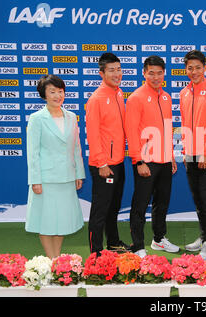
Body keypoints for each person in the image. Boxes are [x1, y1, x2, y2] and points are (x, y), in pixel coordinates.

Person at [26, 74, 85, 259]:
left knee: (62, 223)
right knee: (47, 221)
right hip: (46, 179)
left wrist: (79, 174)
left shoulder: (71, 117)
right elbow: (33, 153)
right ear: (44, 95)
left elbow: (76, 147)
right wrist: (35, 180)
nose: (58, 96)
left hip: (67, 177)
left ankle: (57, 259)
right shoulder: (37, 119)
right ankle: (51, 260)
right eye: (52, 92)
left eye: (60, 91)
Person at [125, 55, 179, 258]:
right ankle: (138, 245)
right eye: (151, 73)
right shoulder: (136, 98)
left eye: (159, 73)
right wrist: (138, 160)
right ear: (144, 73)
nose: (156, 77)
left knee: (162, 203)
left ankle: (158, 239)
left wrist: (171, 156)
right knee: (140, 204)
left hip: (164, 160)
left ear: (164, 74)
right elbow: (131, 131)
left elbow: (167, 129)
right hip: (145, 161)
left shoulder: (165, 97)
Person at [179, 50, 206, 259]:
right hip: (191, 154)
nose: (194, 71)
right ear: (186, 69)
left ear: (205, 68)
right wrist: (187, 152)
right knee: (198, 199)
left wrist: (205, 153)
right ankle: (204, 235)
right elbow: (185, 125)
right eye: (190, 68)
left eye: (198, 67)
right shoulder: (184, 93)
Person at [86, 52, 128, 256]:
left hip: (118, 161)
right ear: (101, 73)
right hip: (104, 165)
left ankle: (113, 242)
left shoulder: (119, 93)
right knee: (100, 210)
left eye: (119, 69)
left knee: (114, 207)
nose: (117, 73)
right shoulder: (97, 99)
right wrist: (102, 164)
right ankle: (96, 252)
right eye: (112, 70)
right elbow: (93, 135)